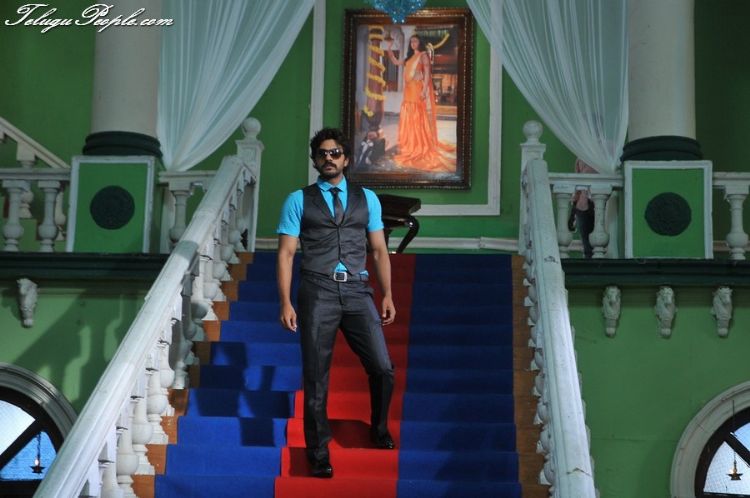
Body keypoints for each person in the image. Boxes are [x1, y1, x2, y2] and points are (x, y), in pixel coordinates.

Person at [276, 127, 397, 479]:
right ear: (314, 160)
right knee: (316, 376)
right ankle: (318, 453)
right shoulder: (298, 200)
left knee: (383, 367)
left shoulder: (367, 198)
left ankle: (379, 428)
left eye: (335, 153)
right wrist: (285, 301)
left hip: (358, 291)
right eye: (322, 154)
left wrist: (388, 294)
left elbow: (379, 250)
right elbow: (286, 254)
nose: (328, 158)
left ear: (346, 159)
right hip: (317, 290)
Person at [385, 34, 455, 172]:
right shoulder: (409, 58)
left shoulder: (423, 55)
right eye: (411, 41)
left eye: (415, 41)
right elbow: (395, 62)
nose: (413, 43)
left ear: (419, 43)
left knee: (416, 114)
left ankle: (419, 145)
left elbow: (427, 73)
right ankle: (410, 144)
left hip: (417, 89)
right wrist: (389, 48)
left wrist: (424, 90)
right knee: (408, 114)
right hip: (408, 90)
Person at [569, 158, 597, 258]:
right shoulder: (580, 158)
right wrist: (573, 213)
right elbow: (577, 186)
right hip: (582, 205)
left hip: (600, 203)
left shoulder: (603, 157)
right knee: (587, 246)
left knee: (598, 243)